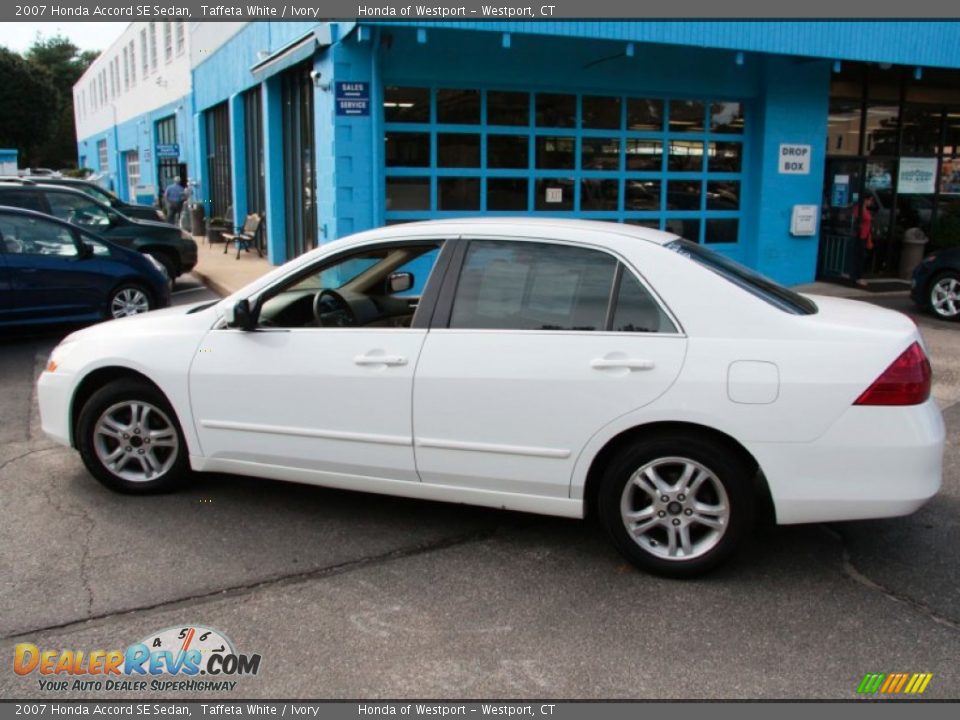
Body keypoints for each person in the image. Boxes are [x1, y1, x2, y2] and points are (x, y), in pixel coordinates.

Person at [851, 195, 876, 287]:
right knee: (859, 257)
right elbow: (856, 222)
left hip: (865, 236)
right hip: (859, 236)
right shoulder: (858, 210)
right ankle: (857, 277)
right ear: (865, 200)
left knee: (862, 256)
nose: (871, 202)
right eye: (870, 200)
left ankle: (859, 276)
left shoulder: (865, 210)